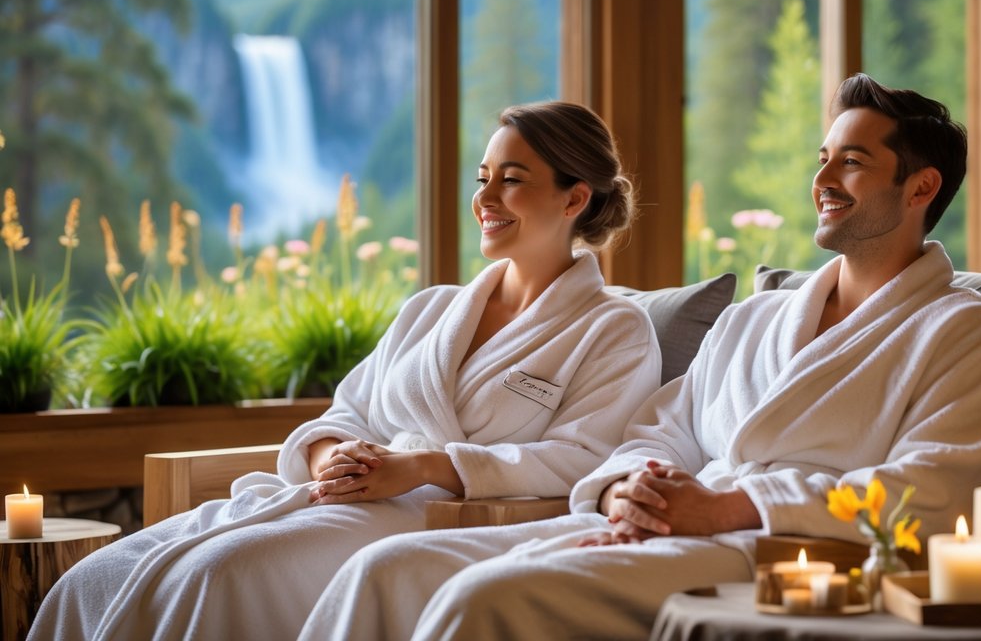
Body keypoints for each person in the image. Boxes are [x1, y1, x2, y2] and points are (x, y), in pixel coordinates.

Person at [298, 74, 981, 640]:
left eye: (852, 163)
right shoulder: (757, 317)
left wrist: (725, 507)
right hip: (668, 524)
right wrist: (627, 488)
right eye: (821, 160)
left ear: (921, 187)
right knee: (388, 568)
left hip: (786, 552)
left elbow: (930, 488)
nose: (822, 181)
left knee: (479, 597)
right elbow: (659, 429)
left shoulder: (964, 333)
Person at [29, 101, 662, 641]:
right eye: (483, 176)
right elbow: (345, 412)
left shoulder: (612, 330)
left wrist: (419, 468)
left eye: (512, 180)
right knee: (94, 577)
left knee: (221, 573)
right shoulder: (432, 309)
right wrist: (331, 457)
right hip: (335, 498)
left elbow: (586, 460)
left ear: (575, 197)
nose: (485, 198)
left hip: (438, 522)